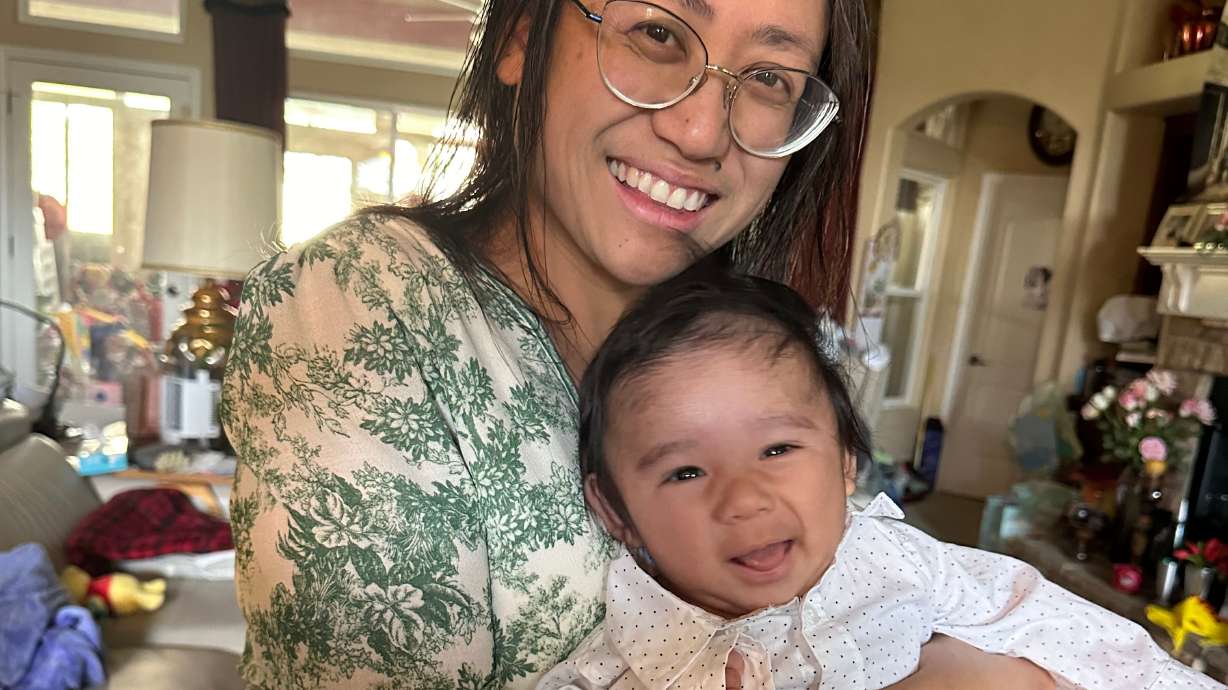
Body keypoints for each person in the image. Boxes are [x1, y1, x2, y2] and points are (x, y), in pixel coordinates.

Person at [221, 0, 1057, 688]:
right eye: (657, 33)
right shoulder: (365, 300)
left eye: (767, 77)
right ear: (521, 37)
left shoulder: (750, 353)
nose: (700, 130)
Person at [540, 269, 1222, 690]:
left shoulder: (898, 564)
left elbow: (1085, 639)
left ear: (844, 464)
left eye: (778, 448)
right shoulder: (630, 655)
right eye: (685, 470)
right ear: (616, 510)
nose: (744, 498)